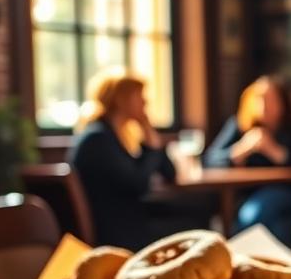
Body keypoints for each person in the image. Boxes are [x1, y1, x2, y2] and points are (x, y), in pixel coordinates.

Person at [70, 69, 207, 250]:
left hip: (130, 218)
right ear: (121, 100)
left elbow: (169, 173)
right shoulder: (97, 139)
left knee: (198, 209)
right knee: (195, 225)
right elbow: (138, 184)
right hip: (119, 230)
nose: (145, 102)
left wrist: (148, 132)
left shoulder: (116, 136)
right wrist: (152, 146)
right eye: (139, 96)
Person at [203, 75, 291, 246]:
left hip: (286, 192)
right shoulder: (240, 126)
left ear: (283, 103)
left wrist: (276, 151)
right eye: (259, 99)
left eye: (271, 100)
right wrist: (239, 151)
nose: (264, 106)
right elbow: (209, 160)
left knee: (257, 216)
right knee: (277, 226)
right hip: (244, 195)